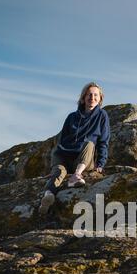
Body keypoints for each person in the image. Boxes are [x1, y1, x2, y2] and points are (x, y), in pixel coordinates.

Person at [39, 82, 110, 215]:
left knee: (90, 144)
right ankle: (48, 195)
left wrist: (100, 163)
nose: (92, 97)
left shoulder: (102, 116)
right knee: (58, 172)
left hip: (82, 160)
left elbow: (103, 141)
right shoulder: (72, 117)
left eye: (95, 95)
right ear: (83, 98)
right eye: (89, 94)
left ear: (100, 99)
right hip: (64, 156)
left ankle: (76, 176)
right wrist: (54, 165)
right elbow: (62, 139)